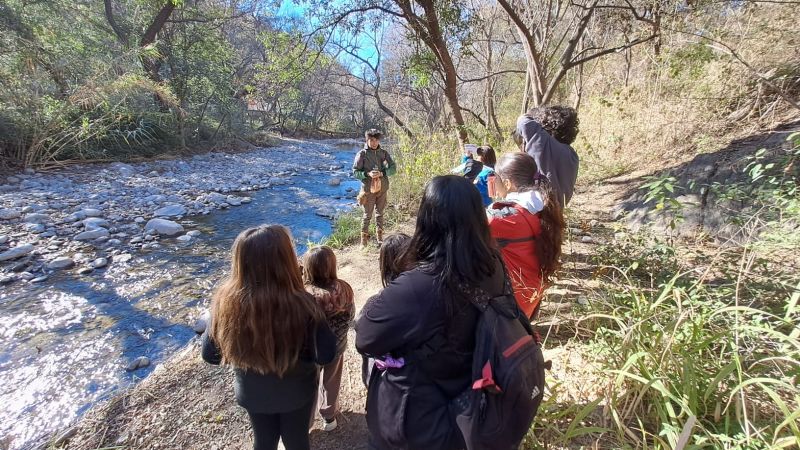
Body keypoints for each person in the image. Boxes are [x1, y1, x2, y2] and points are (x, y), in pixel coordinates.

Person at [356, 175, 507, 449]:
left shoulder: (419, 285)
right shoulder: (494, 264)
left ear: (426, 220)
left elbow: (365, 338)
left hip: (421, 417)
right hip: (475, 396)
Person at [201, 225, 336, 450]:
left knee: (263, 441)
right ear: (287, 261)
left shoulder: (225, 304)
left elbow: (210, 356)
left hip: (252, 393)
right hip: (297, 393)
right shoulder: (305, 304)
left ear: (239, 263)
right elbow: (326, 354)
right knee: (297, 442)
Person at [489, 152, 565, 319]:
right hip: (532, 293)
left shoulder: (502, 218)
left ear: (507, 183)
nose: (494, 183)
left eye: (496, 178)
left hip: (511, 302)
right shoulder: (544, 206)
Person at [302, 245, 356, 432]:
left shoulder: (304, 294)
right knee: (331, 380)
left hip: (310, 350)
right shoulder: (345, 288)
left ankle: (306, 424)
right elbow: (350, 317)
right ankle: (329, 418)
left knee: (308, 385)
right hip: (336, 346)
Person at [360, 232, 412, 387]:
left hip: (388, 381)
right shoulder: (430, 291)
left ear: (384, 266)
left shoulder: (377, 302)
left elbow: (362, 342)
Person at [513, 106, 580, 207]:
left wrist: (535, 114)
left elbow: (523, 121)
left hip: (539, 211)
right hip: (557, 211)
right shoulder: (572, 154)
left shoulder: (542, 144)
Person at [353, 129, 397, 247]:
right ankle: (364, 242)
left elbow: (393, 168)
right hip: (368, 190)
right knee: (367, 215)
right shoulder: (362, 154)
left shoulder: (383, 153)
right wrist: (367, 174)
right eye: (371, 140)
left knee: (380, 213)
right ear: (367, 140)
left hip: (382, 188)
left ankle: (380, 238)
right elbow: (355, 172)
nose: (374, 143)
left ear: (379, 140)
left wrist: (383, 173)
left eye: (376, 140)